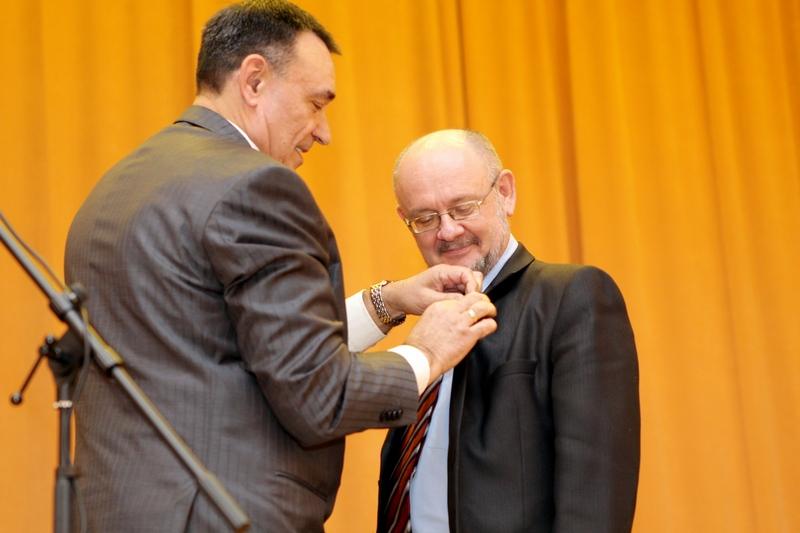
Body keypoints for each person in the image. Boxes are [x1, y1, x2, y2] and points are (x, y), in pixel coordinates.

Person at [64, 3, 497, 532]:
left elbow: (233, 348)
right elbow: (319, 394)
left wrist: (386, 303)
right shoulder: (253, 184)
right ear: (254, 80)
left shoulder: (114, 189)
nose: (324, 131)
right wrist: (426, 352)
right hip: (220, 516)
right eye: (316, 103)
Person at [377, 130, 640, 533]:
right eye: (425, 218)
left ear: (505, 193)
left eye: (463, 208)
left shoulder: (570, 298)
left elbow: (594, 501)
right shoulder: (427, 328)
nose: (448, 231)